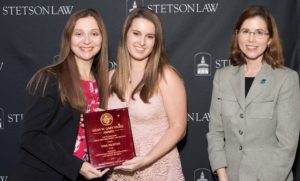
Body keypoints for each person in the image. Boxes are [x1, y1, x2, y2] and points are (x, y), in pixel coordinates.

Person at [10, 9, 110, 181]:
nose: (87, 41)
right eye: (79, 34)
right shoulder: (49, 78)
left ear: (102, 39)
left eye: (94, 34)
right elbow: (31, 136)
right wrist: (76, 166)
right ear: (68, 38)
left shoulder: (102, 84)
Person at [207, 5, 300, 181]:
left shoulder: (286, 79)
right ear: (237, 35)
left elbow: (287, 144)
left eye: (259, 32)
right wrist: (222, 175)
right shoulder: (222, 77)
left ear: (270, 39)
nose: (251, 39)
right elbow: (215, 133)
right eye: (246, 31)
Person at [106, 7, 187, 180]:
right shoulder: (109, 77)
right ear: (125, 34)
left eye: (149, 36)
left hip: (158, 170)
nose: (142, 42)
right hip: (119, 173)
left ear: (156, 42)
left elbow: (179, 128)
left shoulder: (166, 76)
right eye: (136, 33)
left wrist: (146, 160)